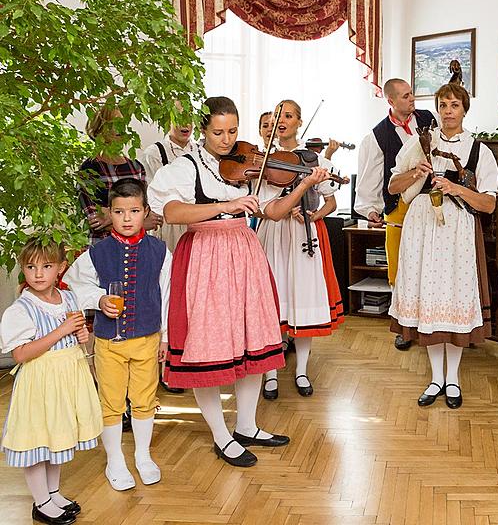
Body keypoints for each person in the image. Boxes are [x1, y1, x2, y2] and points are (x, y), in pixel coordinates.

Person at [147, 96, 330, 467]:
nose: (227, 139)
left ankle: (247, 425)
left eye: (232, 130)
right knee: (209, 346)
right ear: (203, 130)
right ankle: (221, 435)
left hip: (245, 253)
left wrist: (302, 184)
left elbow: (274, 212)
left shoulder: (248, 166)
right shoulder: (184, 167)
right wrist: (224, 207)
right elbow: (171, 212)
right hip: (204, 255)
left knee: (254, 341)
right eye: (218, 132)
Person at [388, 83, 498, 408]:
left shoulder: (479, 150)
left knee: (454, 301)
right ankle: (436, 378)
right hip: (422, 229)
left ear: (465, 109)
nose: (448, 110)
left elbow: (489, 205)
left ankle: (454, 380)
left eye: (454, 104)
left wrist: (455, 188)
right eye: (443, 104)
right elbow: (394, 184)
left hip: (458, 232)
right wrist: (414, 173)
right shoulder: (421, 142)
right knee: (429, 303)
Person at [63, 178, 172, 492]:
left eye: (134, 211)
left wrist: (164, 336)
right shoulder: (95, 253)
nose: (127, 218)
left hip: (148, 338)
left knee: (144, 400)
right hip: (108, 341)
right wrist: (98, 300)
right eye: (120, 211)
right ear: (109, 213)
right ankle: (114, 459)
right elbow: (73, 286)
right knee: (111, 402)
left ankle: (142, 454)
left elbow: (166, 294)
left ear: (145, 212)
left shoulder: (160, 251)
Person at [1, 238, 102, 525]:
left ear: (61, 268)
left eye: (46, 266)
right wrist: (62, 331)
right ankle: (41, 501)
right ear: (23, 269)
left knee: (58, 435)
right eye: (31, 267)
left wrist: (81, 336)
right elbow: (20, 354)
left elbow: (76, 335)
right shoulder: (21, 309)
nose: (38, 273)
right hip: (40, 382)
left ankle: (53, 492)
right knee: (36, 439)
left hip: (67, 378)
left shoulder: (68, 299)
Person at [258, 100, 343, 401]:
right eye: (278, 115)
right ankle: (270, 374)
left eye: (289, 115)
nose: (282, 120)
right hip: (273, 232)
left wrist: (313, 215)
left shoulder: (310, 159)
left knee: (303, 299)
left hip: (303, 233)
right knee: (273, 299)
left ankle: (301, 370)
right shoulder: (263, 158)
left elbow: (330, 202)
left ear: (299, 121)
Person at [355, 78, 436, 351]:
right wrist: (371, 209)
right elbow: (371, 176)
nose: (411, 99)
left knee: (429, 266)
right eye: (404, 96)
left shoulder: (428, 119)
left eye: (412, 94)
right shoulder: (378, 135)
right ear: (390, 100)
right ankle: (403, 327)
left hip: (430, 200)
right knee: (399, 269)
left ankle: (431, 323)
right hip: (398, 205)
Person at [78, 106, 159, 246]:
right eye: (113, 124)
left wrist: (111, 215)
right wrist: (138, 221)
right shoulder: (89, 169)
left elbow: (150, 215)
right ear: (100, 129)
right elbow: (95, 223)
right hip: (103, 247)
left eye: (122, 123)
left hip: (137, 248)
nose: (119, 128)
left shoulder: (136, 167)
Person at [139, 117, 198, 252]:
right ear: (168, 120)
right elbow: (152, 195)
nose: (185, 123)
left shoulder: (200, 150)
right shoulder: (155, 153)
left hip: (197, 221)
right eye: (178, 118)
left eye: (189, 118)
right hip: (169, 224)